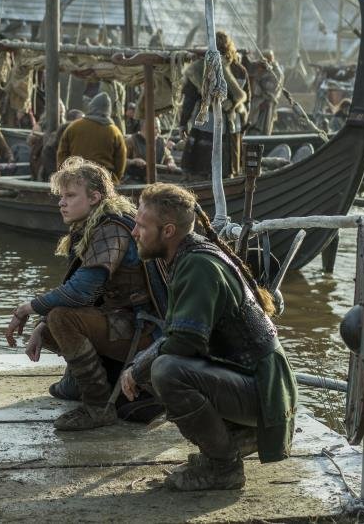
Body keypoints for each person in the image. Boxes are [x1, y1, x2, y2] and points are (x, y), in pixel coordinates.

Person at [120, 183, 298, 491]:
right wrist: (139, 365)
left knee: (166, 370)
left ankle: (223, 467)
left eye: (141, 226)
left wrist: (138, 368)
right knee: (155, 364)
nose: (134, 232)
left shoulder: (198, 266)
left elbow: (185, 342)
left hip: (265, 391)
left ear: (168, 231)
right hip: (255, 382)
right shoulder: (189, 255)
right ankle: (232, 440)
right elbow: (179, 335)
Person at [5, 157, 164, 430]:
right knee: (51, 323)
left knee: (60, 318)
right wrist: (41, 325)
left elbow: (80, 292)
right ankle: (80, 382)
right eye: (61, 196)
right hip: (125, 321)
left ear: (94, 197)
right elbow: (89, 294)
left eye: (70, 196)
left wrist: (25, 309)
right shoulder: (97, 225)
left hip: (145, 331)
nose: (61, 203)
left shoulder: (111, 229)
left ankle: (97, 405)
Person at [178, 31, 248, 182]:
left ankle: (203, 185)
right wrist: (243, 125)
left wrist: (183, 124)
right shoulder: (240, 70)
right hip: (232, 125)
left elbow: (189, 100)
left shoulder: (199, 68)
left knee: (201, 170)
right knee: (229, 168)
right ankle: (229, 182)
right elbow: (246, 101)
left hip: (206, 124)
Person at [57, 93, 126, 182]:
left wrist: (65, 177)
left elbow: (62, 154)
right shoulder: (114, 131)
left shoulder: (74, 126)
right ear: (108, 110)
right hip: (104, 180)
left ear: (91, 107)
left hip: (76, 178)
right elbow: (121, 160)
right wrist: (115, 179)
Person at [124, 118, 177, 182]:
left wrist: (170, 162)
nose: (159, 131)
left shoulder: (161, 141)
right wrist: (133, 161)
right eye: (156, 128)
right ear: (145, 128)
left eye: (159, 128)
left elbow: (168, 157)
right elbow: (120, 160)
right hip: (134, 179)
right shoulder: (131, 141)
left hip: (156, 179)